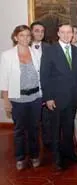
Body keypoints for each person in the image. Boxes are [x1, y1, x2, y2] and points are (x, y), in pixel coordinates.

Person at [40, 23, 77, 170]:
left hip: (72, 98)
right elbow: (44, 76)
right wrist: (48, 98)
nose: (66, 35)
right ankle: (57, 158)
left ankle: (69, 153)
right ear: (58, 33)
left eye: (69, 32)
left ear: (73, 34)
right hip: (56, 99)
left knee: (69, 129)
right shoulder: (50, 51)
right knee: (56, 130)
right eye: (63, 32)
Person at [0, 25, 42, 170]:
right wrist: (6, 101)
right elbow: (4, 80)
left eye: (28, 35)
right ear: (15, 37)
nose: (25, 38)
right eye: (22, 35)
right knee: (19, 130)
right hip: (17, 100)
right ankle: (20, 157)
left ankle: (35, 155)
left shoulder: (36, 53)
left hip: (36, 98)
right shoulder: (7, 55)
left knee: (34, 129)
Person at [30, 21, 52, 149]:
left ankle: (47, 143)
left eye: (42, 31)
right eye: (37, 30)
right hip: (30, 90)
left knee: (47, 119)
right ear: (31, 32)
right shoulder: (25, 48)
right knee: (32, 121)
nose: (40, 33)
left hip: (45, 89)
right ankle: (33, 147)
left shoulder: (49, 47)